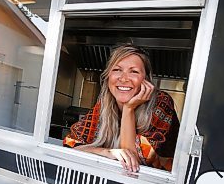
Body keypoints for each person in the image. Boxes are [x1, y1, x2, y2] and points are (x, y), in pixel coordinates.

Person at [63, 44, 180, 173]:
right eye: (117, 70)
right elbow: (71, 144)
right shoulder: (105, 104)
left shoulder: (161, 102)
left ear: (146, 80)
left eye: (134, 71)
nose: (123, 78)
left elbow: (134, 161)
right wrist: (106, 152)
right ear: (108, 76)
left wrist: (128, 108)